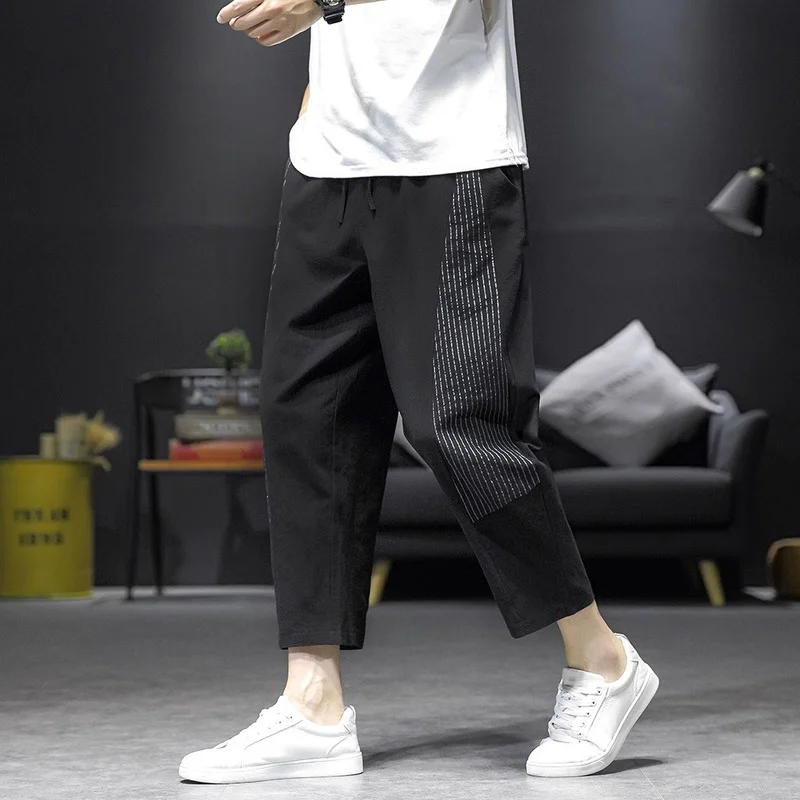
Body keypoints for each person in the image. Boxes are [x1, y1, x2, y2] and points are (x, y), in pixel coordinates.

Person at [179, 0, 659, 784]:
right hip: (327, 164)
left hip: (454, 154)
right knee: (308, 419)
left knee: (458, 424)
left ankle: (603, 660)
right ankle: (312, 704)